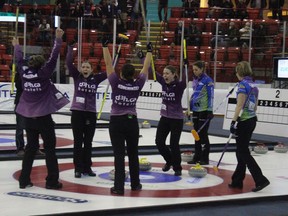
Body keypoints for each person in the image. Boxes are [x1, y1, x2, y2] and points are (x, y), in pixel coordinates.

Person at [13, 28, 69, 190]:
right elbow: (53, 58)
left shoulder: (23, 72)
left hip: (29, 118)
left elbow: (18, 59)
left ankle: (24, 180)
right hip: (44, 117)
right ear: (42, 65)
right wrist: (58, 39)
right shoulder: (44, 73)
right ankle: (52, 181)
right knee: (50, 149)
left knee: (30, 149)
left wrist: (16, 45)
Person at [102, 39, 152, 195]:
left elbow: (109, 65)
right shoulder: (138, 84)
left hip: (116, 121)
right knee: (133, 154)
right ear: (133, 74)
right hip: (131, 122)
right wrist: (149, 52)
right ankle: (135, 185)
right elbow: (146, 67)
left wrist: (105, 46)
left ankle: (118, 187)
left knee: (119, 155)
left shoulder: (116, 82)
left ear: (121, 74)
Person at [66, 41, 107, 179]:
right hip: (77, 113)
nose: (85, 68)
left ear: (91, 69)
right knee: (78, 141)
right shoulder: (77, 77)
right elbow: (68, 63)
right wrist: (70, 48)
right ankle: (77, 168)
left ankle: (87, 167)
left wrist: (111, 53)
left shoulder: (96, 79)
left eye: (87, 67)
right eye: (83, 66)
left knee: (88, 142)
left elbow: (110, 71)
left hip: (90, 113)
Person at [229, 61, 270, 192]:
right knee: (240, 151)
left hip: (244, 121)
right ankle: (237, 180)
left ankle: (260, 179)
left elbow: (239, 105)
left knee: (243, 152)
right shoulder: (254, 86)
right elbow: (256, 106)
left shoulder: (242, 85)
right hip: (252, 120)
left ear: (239, 72)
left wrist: (233, 121)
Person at [155, 64, 186, 176]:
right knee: (159, 142)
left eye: (167, 73)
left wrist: (185, 66)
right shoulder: (163, 83)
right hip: (164, 118)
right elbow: (152, 71)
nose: (164, 75)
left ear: (174, 75)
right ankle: (169, 161)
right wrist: (145, 56)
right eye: (163, 73)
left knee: (174, 144)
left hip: (176, 119)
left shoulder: (179, 86)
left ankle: (177, 167)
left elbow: (186, 77)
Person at [188, 61, 214, 165]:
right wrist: (190, 106)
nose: (194, 72)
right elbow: (194, 94)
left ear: (202, 69)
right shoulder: (195, 80)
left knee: (203, 134)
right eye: (193, 70)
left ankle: (205, 157)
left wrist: (210, 110)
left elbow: (211, 95)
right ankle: (197, 156)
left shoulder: (208, 80)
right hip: (195, 110)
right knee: (196, 134)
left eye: (196, 70)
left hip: (204, 110)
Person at [14, 70, 44, 157]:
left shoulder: (36, 74)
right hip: (21, 103)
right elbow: (18, 86)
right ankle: (20, 148)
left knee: (35, 126)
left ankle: (34, 147)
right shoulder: (19, 73)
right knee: (20, 126)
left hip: (33, 103)